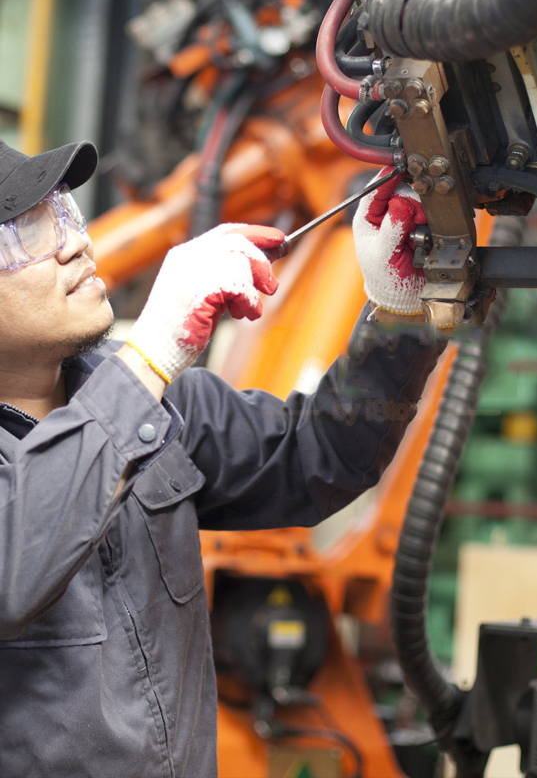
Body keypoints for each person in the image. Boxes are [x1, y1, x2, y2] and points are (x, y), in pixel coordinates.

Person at [0, 139, 444, 778]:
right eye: (26, 232)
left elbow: (319, 456)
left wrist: (397, 309)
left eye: (65, 213)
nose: (76, 243)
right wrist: (147, 358)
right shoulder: (141, 386)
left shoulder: (163, 406)